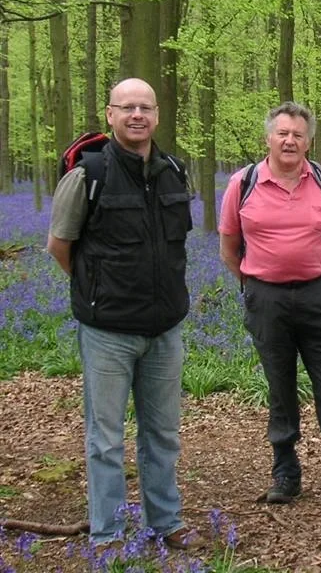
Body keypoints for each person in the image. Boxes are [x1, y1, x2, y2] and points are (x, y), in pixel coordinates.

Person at [46, 78, 201, 550]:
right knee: (105, 438)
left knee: (163, 433)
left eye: (146, 107)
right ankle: (109, 532)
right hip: (107, 331)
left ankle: (165, 522)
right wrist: (97, 291)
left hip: (164, 328)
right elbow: (59, 245)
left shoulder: (175, 171)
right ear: (110, 114)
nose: (137, 115)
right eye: (127, 107)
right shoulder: (86, 175)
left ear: (157, 115)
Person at [218, 102, 321, 507]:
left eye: (297, 134)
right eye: (282, 133)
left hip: (317, 295)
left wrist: (313, 270)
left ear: (309, 141)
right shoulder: (243, 182)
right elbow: (229, 247)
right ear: (268, 137)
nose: (289, 140)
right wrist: (256, 282)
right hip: (265, 298)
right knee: (279, 385)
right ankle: (285, 470)